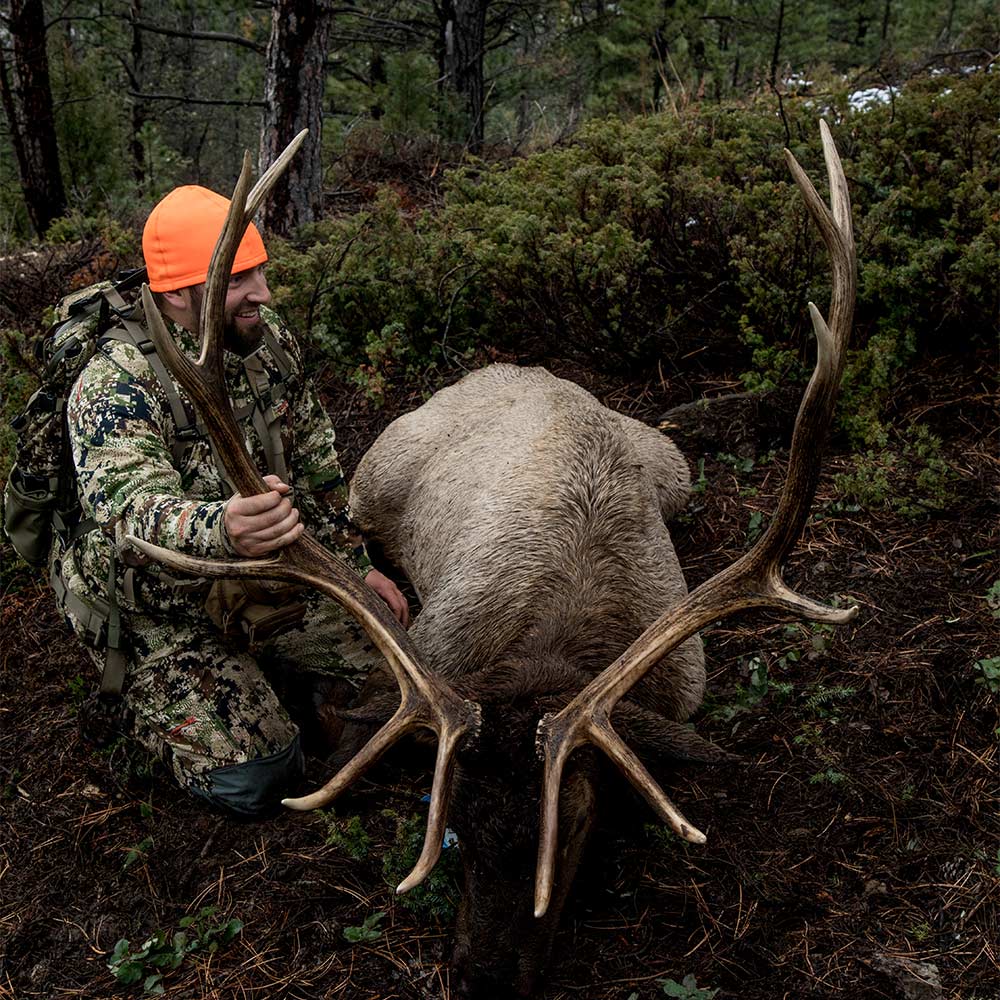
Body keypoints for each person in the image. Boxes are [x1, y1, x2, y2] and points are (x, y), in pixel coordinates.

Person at [59, 184, 408, 816]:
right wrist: (221, 528)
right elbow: (125, 512)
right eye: (239, 279)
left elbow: (316, 466)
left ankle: (278, 673)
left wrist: (358, 569)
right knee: (258, 780)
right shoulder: (112, 382)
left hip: (266, 577)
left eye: (261, 272)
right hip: (162, 605)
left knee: (406, 678)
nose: (265, 295)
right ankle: (158, 698)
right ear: (176, 293)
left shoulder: (265, 342)